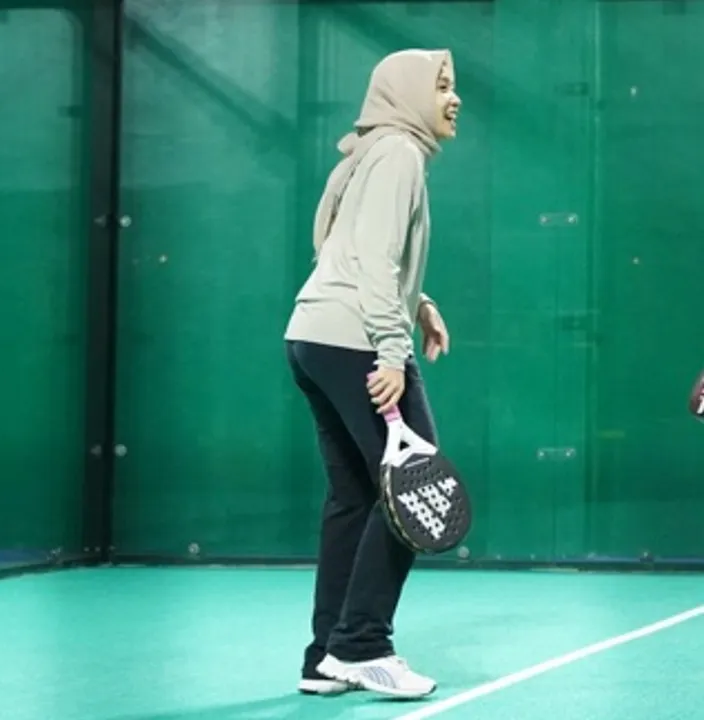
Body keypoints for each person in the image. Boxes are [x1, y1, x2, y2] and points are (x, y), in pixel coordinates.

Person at [283, 48, 461, 700]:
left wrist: (420, 303)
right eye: (442, 86)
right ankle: (362, 646)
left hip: (313, 337)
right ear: (407, 93)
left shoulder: (368, 152)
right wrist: (391, 348)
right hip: (356, 342)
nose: (454, 99)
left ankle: (325, 657)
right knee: (415, 491)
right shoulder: (400, 154)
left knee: (355, 499)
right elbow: (373, 257)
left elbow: (342, 248)